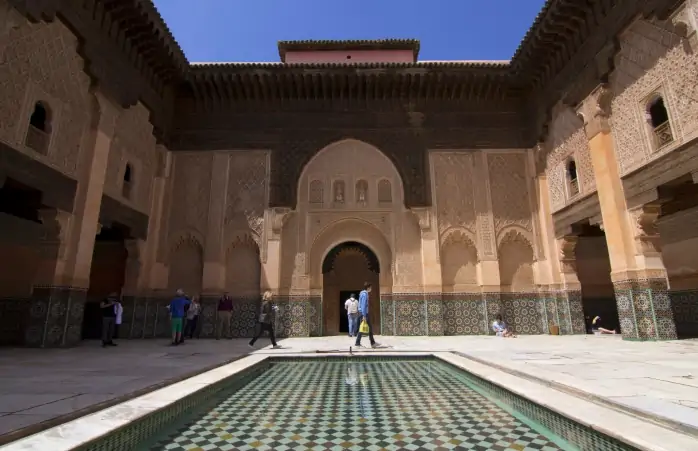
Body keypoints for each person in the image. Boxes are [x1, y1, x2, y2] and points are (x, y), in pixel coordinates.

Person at [355, 282, 379, 348]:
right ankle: (358, 343)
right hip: (364, 313)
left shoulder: (363, 294)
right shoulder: (364, 294)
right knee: (363, 327)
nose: (371, 289)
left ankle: (372, 342)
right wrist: (364, 315)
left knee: (366, 328)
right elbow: (363, 305)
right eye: (370, 287)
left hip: (363, 313)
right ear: (368, 288)